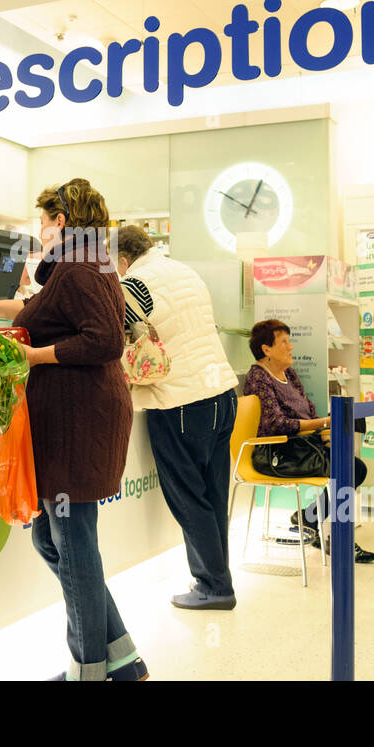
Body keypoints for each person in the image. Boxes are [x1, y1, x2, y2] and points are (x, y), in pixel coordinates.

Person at [0, 179, 144, 681]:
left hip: (80, 420)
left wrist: (34, 355)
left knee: (72, 545)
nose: (42, 230)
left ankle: (88, 668)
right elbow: (35, 310)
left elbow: (106, 341)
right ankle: (121, 658)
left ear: (65, 222)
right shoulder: (74, 268)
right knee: (54, 542)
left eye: (46, 220)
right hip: (72, 416)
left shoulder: (78, 268)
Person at [114, 226, 238, 610]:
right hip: (221, 392)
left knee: (188, 497)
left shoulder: (134, 282)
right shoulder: (185, 271)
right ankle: (220, 581)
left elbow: (119, 334)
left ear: (121, 259)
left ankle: (213, 587)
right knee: (214, 496)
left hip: (179, 400)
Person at [243, 319, 374, 563]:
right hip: (275, 453)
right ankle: (334, 537)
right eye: (284, 342)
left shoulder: (289, 374)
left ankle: (312, 519)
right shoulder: (258, 378)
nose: (290, 347)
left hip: (301, 447)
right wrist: (326, 424)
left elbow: (309, 412)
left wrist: (326, 435)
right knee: (348, 469)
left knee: (354, 466)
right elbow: (278, 424)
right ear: (266, 349)